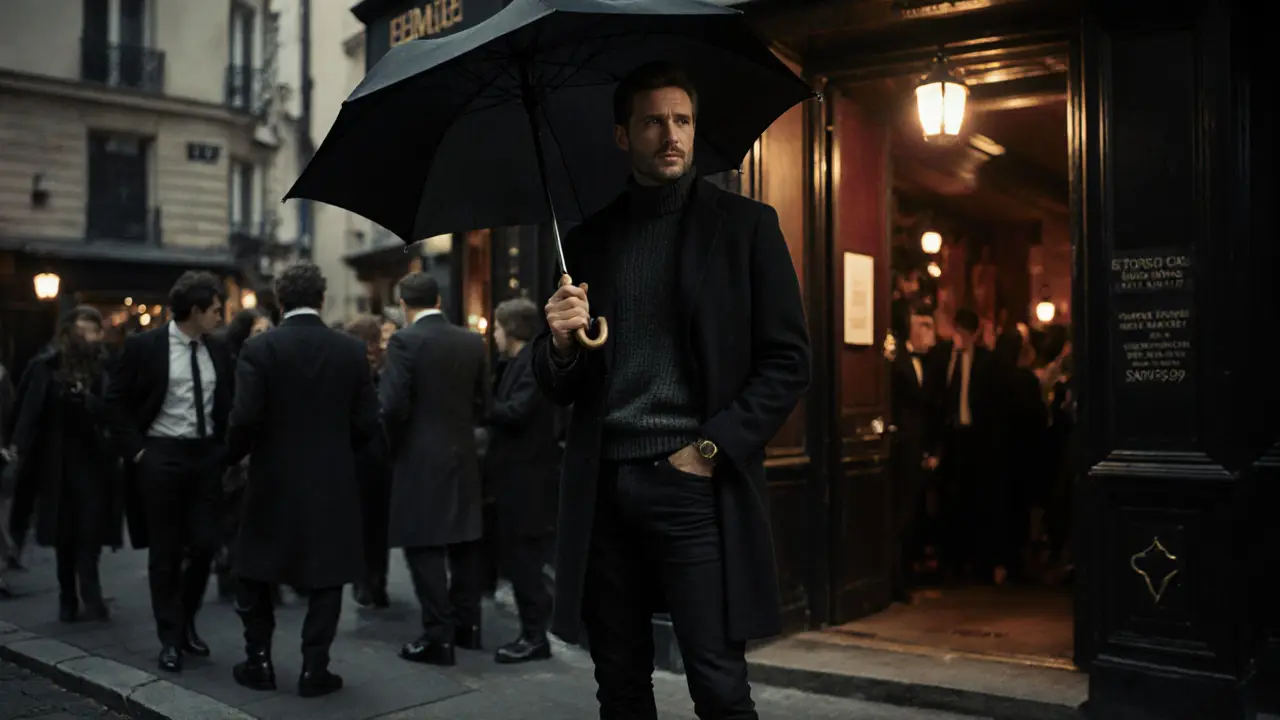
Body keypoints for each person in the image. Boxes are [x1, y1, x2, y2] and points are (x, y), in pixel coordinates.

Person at [531, 61, 810, 718]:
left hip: (692, 483)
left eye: (681, 120)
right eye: (653, 121)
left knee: (716, 679)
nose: (670, 134)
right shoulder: (586, 243)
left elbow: (788, 362)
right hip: (604, 487)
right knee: (620, 682)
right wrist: (562, 343)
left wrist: (710, 449)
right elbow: (558, 387)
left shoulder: (746, 227)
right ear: (624, 135)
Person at [225, 263, 380, 698]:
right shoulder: (349, 351)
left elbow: (244, 418)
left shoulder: (260, 350)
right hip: (332, 478)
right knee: (326, 576)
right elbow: (368, 422)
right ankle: (315, 669)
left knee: (255, 571)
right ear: (322, 299)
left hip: (272, 476)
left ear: (279, 301)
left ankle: (259, 662)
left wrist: (230, 458)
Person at [105, 271, 233, 673]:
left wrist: (225, 452)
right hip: (161, 455)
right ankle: (170, 637)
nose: (220, 316)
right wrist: (139, 453)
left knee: (205, 545)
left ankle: (188, 620)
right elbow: (114, 403)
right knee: (165, 551)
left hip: (206, 457)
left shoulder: (219, 349)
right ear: (194, 310)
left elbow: (227, 405)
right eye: (215, 309)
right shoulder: (145, 347)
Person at [380, 272, 488, 667]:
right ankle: (468, 627)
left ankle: (438, 635)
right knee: (463, 542)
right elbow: (483, 401)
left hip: (420, 454)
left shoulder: (405, 340)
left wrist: (394, 445)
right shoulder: (471, 340)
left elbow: (391, 405)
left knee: (423, 545)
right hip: (462, 451)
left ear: (405, 305)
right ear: (439, 300)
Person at [4, 307, 123, 619]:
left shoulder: (104, 367)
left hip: (94, 461)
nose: (88, 337)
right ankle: (67, 596)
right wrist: (17, 446)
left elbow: (114, 410)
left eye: (94, 331)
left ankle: (91, 592)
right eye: (83, 331)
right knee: (64, 533)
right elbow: (29, 410)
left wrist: (88, 402)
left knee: (90, 529)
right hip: (56, 463)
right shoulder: (47, 366)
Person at [485, 298, 560, 664]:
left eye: (496, 327)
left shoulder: (532, 362)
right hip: (515, 480)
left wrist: (479, 407)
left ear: (511, 328)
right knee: (519, 562)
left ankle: (535, 637)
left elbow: (516, 412)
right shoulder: (515, 362)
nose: (493, 334)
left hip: (527, 482)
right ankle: (531, 633)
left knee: (526, 564)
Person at [213, 308, 273, 601]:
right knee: (234, 519)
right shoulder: (230, 365)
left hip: (264, 451)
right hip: (237, 451)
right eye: (260, 331)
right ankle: (233, 575)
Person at [344, 314, 393, 609]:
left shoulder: (356, 368)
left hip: (365, 452)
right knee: (376, 524)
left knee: (367, 522)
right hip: (375, 452)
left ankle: (368, 581)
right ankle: (373, 581)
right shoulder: (381, 367)